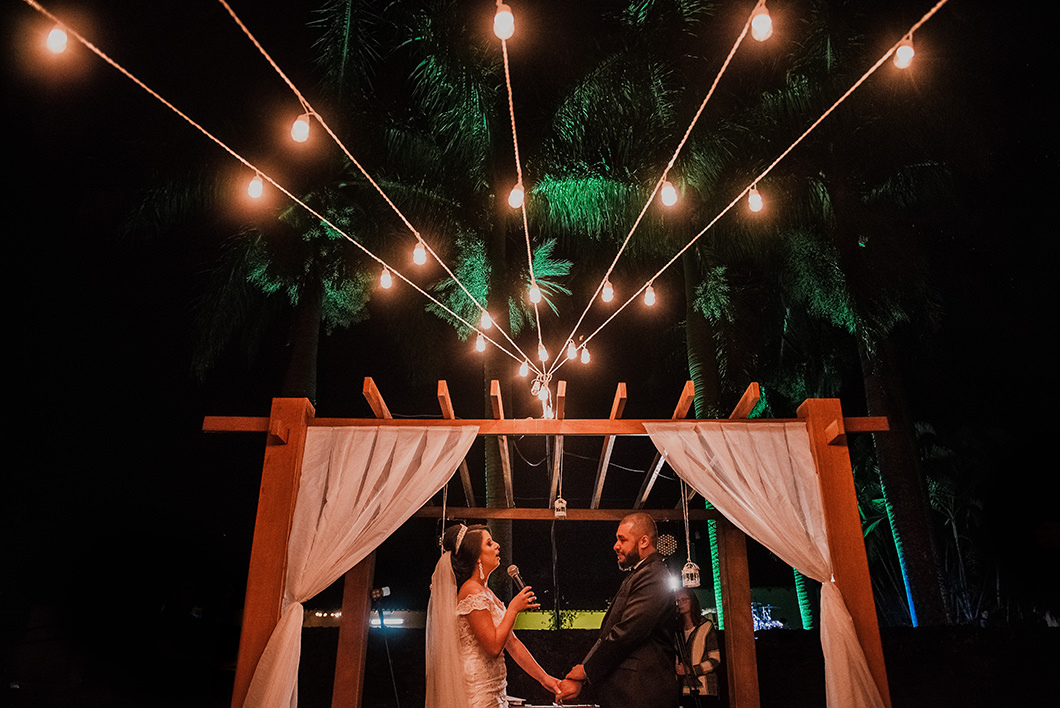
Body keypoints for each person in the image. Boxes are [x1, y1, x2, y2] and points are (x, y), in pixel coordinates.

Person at [426, 523, 561, 708]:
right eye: (489, 543)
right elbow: (493, 647)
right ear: (477, 557)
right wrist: (513, 608)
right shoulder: (472, 592)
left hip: (494, 687)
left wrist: (545, 679)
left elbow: (512, 643)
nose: (497, 545)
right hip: (476, 688)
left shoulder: (486, 592)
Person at [557, 512, 679, 708]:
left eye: (622, 539)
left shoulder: (654, 575)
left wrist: (586, 670)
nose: (616, 546)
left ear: (644, 541)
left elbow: (627, 632)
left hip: (642, 695)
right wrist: (584, 672)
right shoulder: (640, 573)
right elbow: (608, 635)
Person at [675, 587, 721, 707]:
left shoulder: (706, 627)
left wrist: (691, 670)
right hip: (685, 691)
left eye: (684, 600)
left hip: (706, 690)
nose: (680, 603)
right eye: (678, 601)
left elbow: (715, 660)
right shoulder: (677, 631)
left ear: (692, 601)